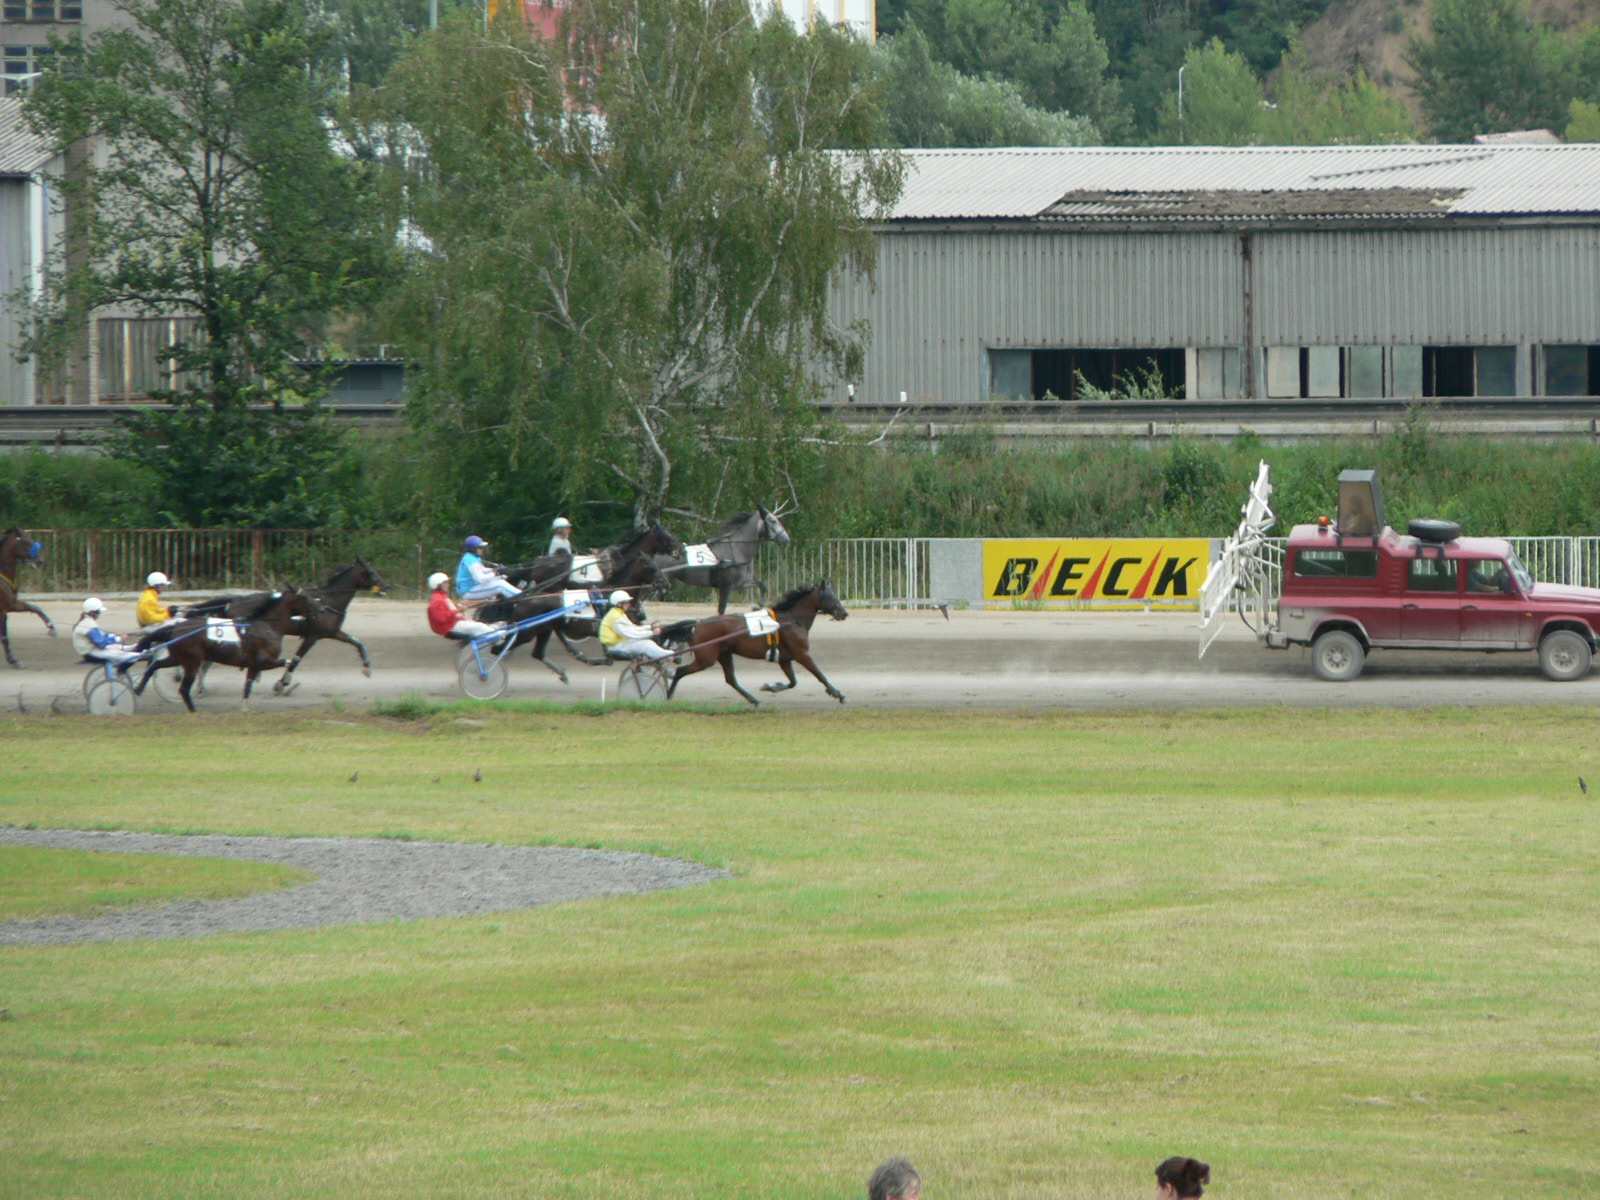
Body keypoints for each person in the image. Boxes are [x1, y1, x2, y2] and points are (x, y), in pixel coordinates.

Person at [598, 589, 672, 661]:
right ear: (619, 604)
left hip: (621, 643)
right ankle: (671, 656)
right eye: (626, 603)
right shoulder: (615, 617)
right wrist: (652, 633)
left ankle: (666, 657)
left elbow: (633, 628)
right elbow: (631, 634)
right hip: (616, 646)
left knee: (649, 641)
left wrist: (650, 627)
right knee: (646, 645)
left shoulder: (618, 613)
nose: (629, 605)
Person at [426, 572, 501, 641]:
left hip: (453, 623)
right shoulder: (437, 600)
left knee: (481, 626)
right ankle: (499, 637)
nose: (448, 585)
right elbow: (442, 619)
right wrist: (459, 610)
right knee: (479, 626)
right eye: (445, 583)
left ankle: (494, 635)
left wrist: (483, 601)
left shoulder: (441, 596)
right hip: (449, 627)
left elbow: (454, 607)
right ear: (438, 585)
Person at [72, 597, 142, 670]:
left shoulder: (87, 622)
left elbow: (100, 637)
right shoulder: (89, 624)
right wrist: (119, 638)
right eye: (98, 612)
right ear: (93, 612)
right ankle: (139, 655)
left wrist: (114, 635)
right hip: (91, 652)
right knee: (119, 654)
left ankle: (135, 648)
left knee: (116, 647)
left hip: (91, 650)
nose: (99, 614)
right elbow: (102, 643)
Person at [455, 535, 520, 602]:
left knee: (503, 577)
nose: (483, 549)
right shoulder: (471, 561)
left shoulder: (473, 557)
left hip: (474, 586)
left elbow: (482, 570)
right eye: (480, 548)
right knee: (500, 585)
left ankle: (514, 599)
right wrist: (495, 573)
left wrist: (494, 570)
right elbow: (481, 579)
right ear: (473, 549)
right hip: (469, 590)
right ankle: (521, 596)